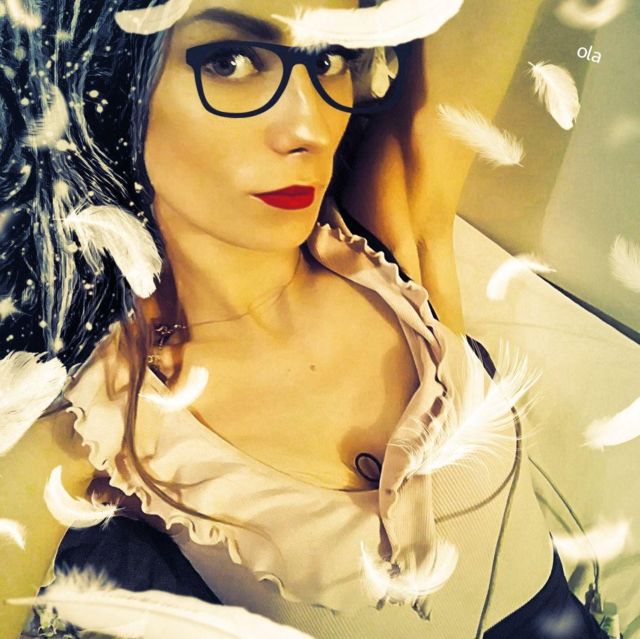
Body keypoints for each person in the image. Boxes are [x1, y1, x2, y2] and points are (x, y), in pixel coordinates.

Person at [0, 1, 609, 638]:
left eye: (329, 57)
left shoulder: (388, 248)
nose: (310, 127)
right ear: (105, 74)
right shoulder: (89, 425)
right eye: (231, 61)